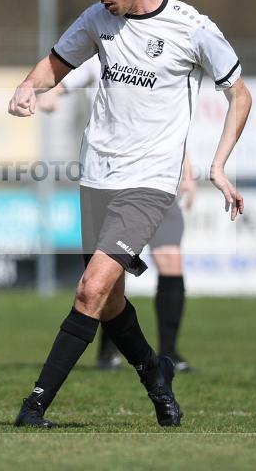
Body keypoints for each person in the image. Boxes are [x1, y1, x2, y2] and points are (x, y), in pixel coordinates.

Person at [8, 0, 252, 428]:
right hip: (96, 175)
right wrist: (27, 86)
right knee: (111, 301)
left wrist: (218, 165)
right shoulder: (99, 20)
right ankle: (156, 375)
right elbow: (54, 65)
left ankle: (33, 407)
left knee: (90, 289)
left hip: (149, 182)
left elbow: (240, 95)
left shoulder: (192, 28)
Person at [38, 56, 197, 373]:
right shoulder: (101, 54)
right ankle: (109, 351)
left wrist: (187, 166)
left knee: (171, 260)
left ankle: (169, 354)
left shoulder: (158, 56)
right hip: (114, 183)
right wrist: (48, 92)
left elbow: (167, 122)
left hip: (158, 180)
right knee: (110, 274)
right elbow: (61, 79)